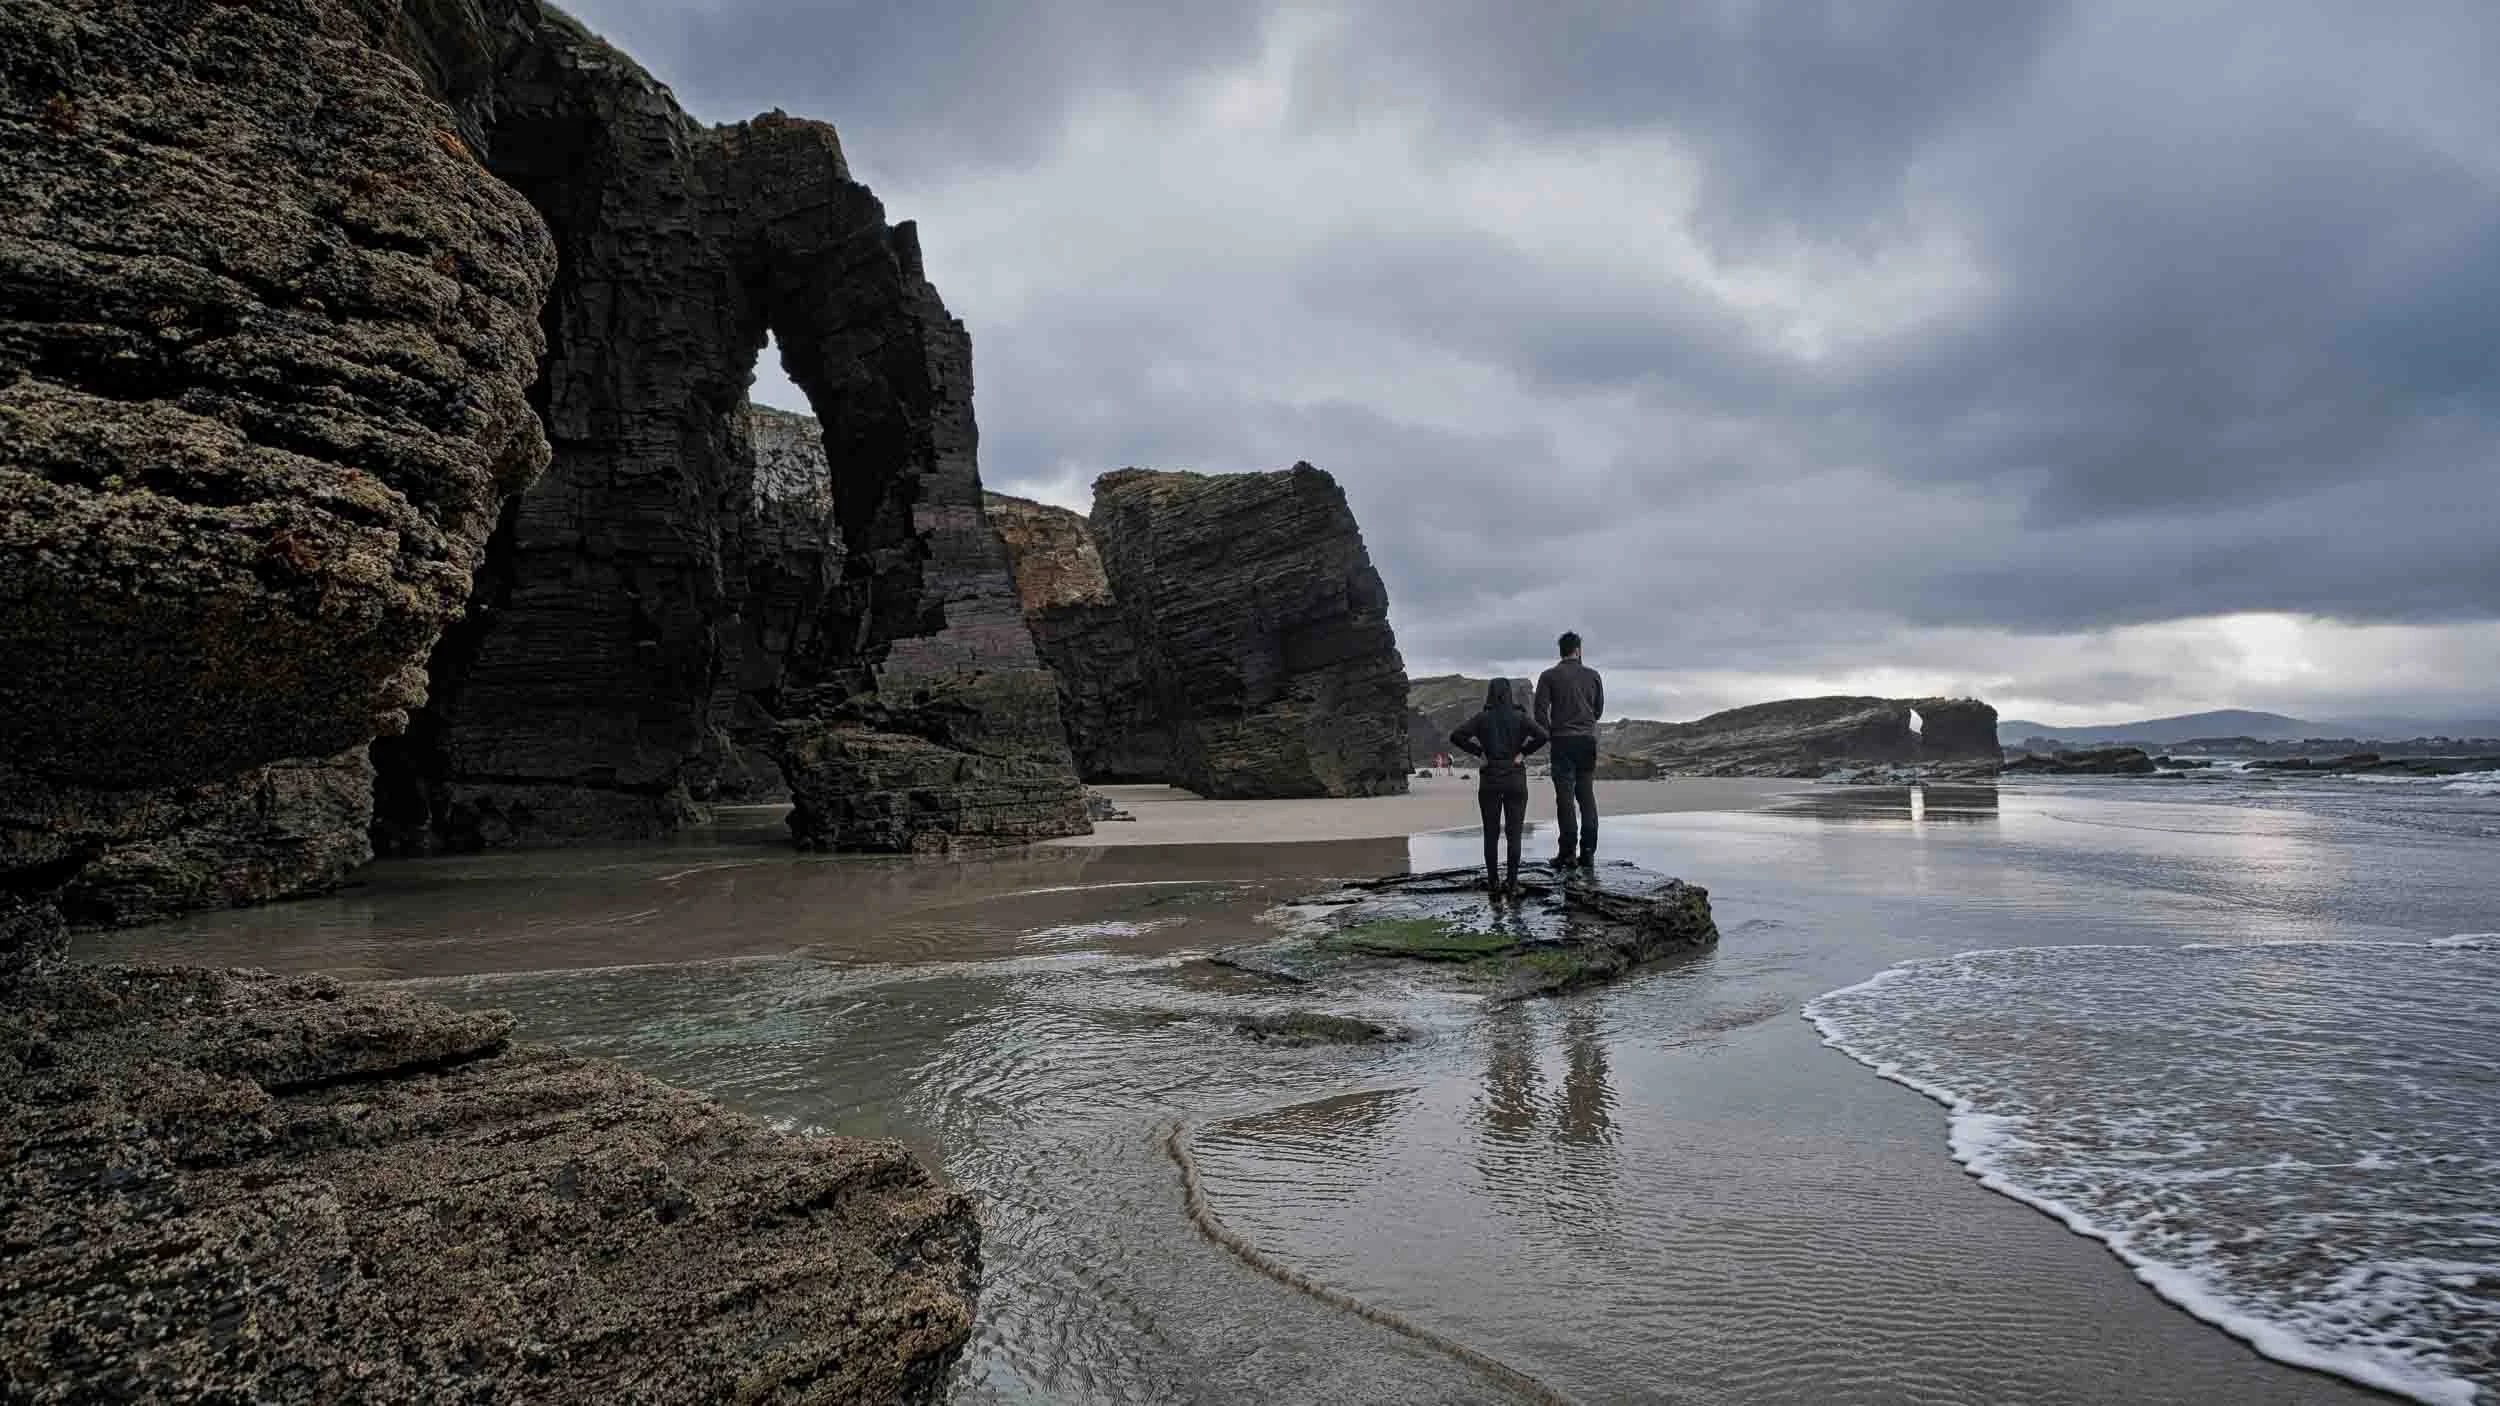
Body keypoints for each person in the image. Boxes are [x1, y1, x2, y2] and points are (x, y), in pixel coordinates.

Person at [1448, 677, 1548, 897]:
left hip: (1490, 779)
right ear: (1509, 694)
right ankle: (1512, 883)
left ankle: (1493, 882)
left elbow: (1456, 736)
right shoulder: (1520, 717)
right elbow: (1543, 735)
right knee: (1514, 834)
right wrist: (1523, 753)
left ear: (1491, 694)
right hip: (1515, 780)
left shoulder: (1482, 718)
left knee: (1491, 834)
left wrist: (1479, 753)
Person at [1534, 630, 1603, 868]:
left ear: (1561, 651)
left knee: (1565, 799)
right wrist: (1585, 724)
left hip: (1562, 741)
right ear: (1578, 650)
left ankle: (1567, 853)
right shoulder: (1593, 675)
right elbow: (1598, 710)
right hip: (1586, 741)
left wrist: (1551, 733)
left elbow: (1540, 712)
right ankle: (1588, 852)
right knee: (1586, 796)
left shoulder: (1549, 676)